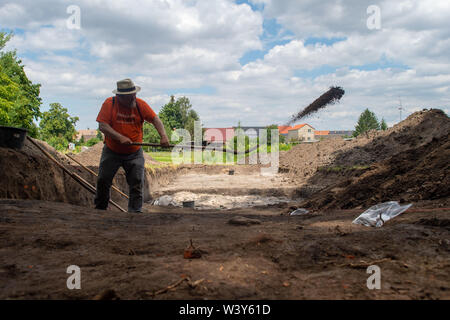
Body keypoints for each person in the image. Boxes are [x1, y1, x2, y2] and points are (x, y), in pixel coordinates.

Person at [94, 78, 169, 213]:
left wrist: (163, 136)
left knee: (136, 182)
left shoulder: (140, 105)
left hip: (134, 153)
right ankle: (100, 209)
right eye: (130, 96)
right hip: (112, 151)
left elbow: (155, 119)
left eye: (134, 94)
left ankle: (135, 212)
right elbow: (102, 125)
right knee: (103, 180)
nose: (134, 97)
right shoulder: (109, 104)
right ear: (120, 97)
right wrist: (120, 137)